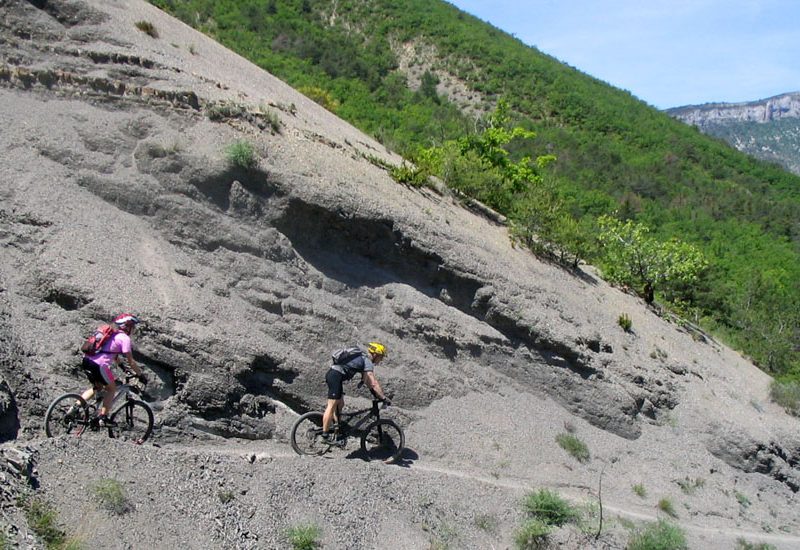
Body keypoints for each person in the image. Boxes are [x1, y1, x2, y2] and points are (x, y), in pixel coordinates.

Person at [77, 313, 148, 426]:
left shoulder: (111, 335)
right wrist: (140, 375)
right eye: (133, 326)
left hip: (87, 361)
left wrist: (122, 367)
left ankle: (74, 408)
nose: (134, 329)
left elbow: (113, 354)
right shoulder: (125, 339)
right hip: (100, 365)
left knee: (98, 387)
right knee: (111, 389)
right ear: (127, 326)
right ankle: (103, 417)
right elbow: (131, 361)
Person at [321, 341, 389, 445]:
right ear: (375, 355)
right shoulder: (366, 361)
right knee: (331, 406)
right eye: (381, 357)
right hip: (335, 377)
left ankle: (337, 433)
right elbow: (374, 382)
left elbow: (368, 382)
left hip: (335, 376)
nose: (381, 360)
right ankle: (324, 436)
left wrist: (375, 394)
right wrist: (383, 398)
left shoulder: (362, 359)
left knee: (340, 405)